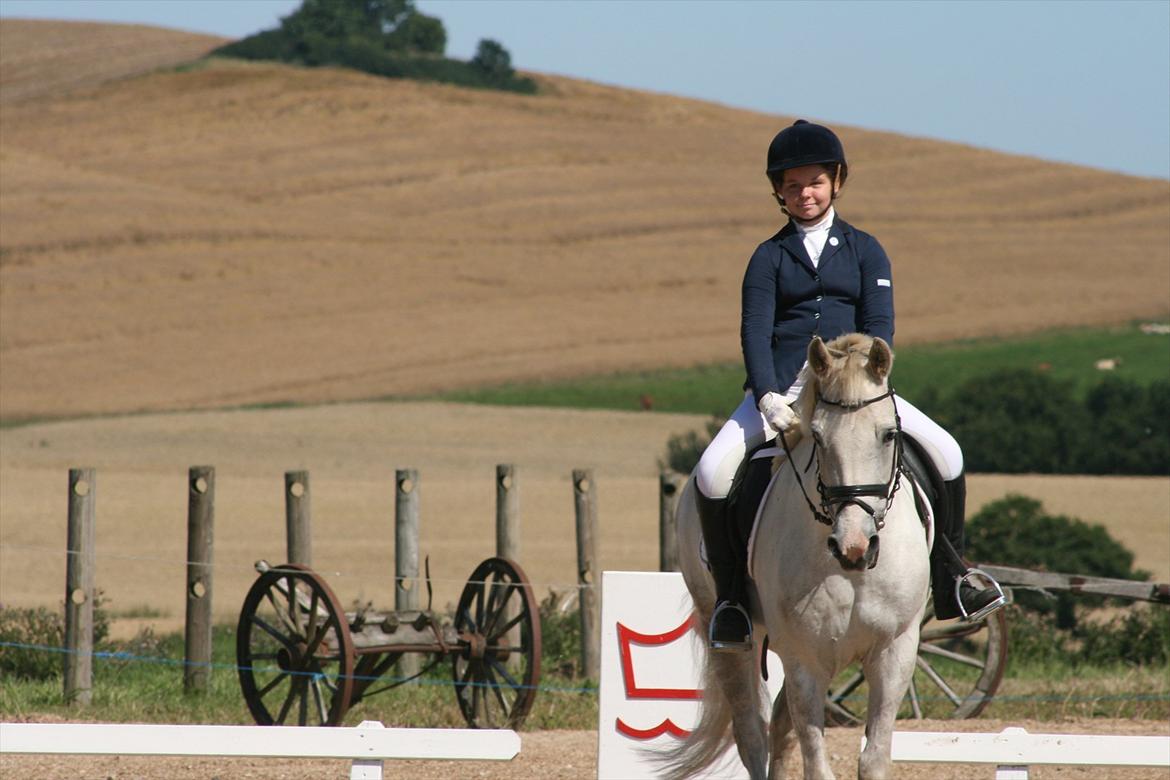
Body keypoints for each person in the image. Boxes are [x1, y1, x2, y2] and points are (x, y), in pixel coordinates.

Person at [694, 120, 1005, 651]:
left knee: (947, 453)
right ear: (778, 192)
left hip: (857, 389)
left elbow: (879, 322)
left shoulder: (865, 250)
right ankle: (731, 600)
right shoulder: (768, 257)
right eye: (792, 186)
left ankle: (951, 575)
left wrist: (869, 375)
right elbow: (753, 330)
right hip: (785, 392)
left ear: (836, 181)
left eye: (813, 182)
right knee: (711, 473)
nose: (804, 194)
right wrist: (768, 396)